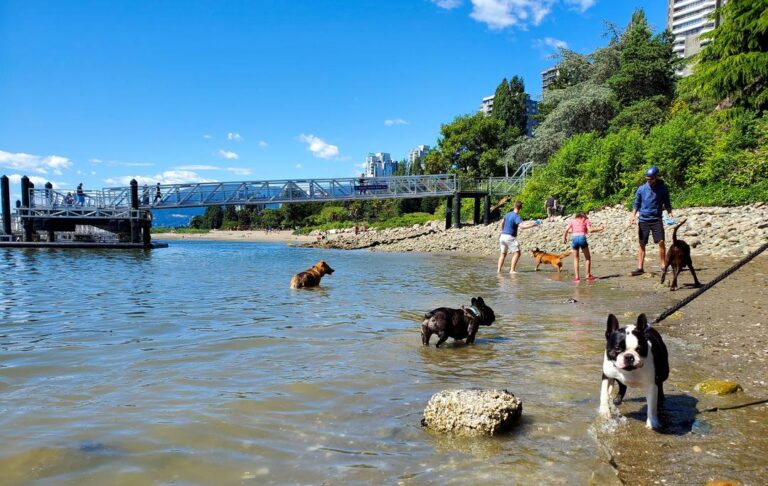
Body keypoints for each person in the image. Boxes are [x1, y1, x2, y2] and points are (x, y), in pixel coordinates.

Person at [629, 166, 673, 276]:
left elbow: (667, 202)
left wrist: (669, 212)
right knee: (642, 244)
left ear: (656, 178)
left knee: (661, 242)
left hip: (656, 219)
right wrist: (633, 215)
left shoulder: (663, 189)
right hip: (643, 219)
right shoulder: (641, 189)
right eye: (647, 179)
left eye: (651, 179)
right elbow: (636, 203)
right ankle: (640, 267)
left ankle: (663, 265)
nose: (648, 181)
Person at [497, 200, 539, 274]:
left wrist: (503, 230)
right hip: (510, 237)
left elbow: (502, 223)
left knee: (503, 254)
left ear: (514, 206)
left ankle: (498, 271)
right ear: (521, 208)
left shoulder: (507, 214)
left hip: (502, 236)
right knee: (517, 253)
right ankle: (512, 270)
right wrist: (533, 225)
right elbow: (522, 226)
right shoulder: (517, 216)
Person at [563, 212, 605, 282]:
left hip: (574, 238)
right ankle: (588, 275)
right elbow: (590, 230)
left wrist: (564, 238)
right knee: (587, 258)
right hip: (582, 238)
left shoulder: (572, 220)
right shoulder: (586, 220)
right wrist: (600, 229)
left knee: (576, 258)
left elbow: (566, 230)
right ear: (584, 216)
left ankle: (577, 278)